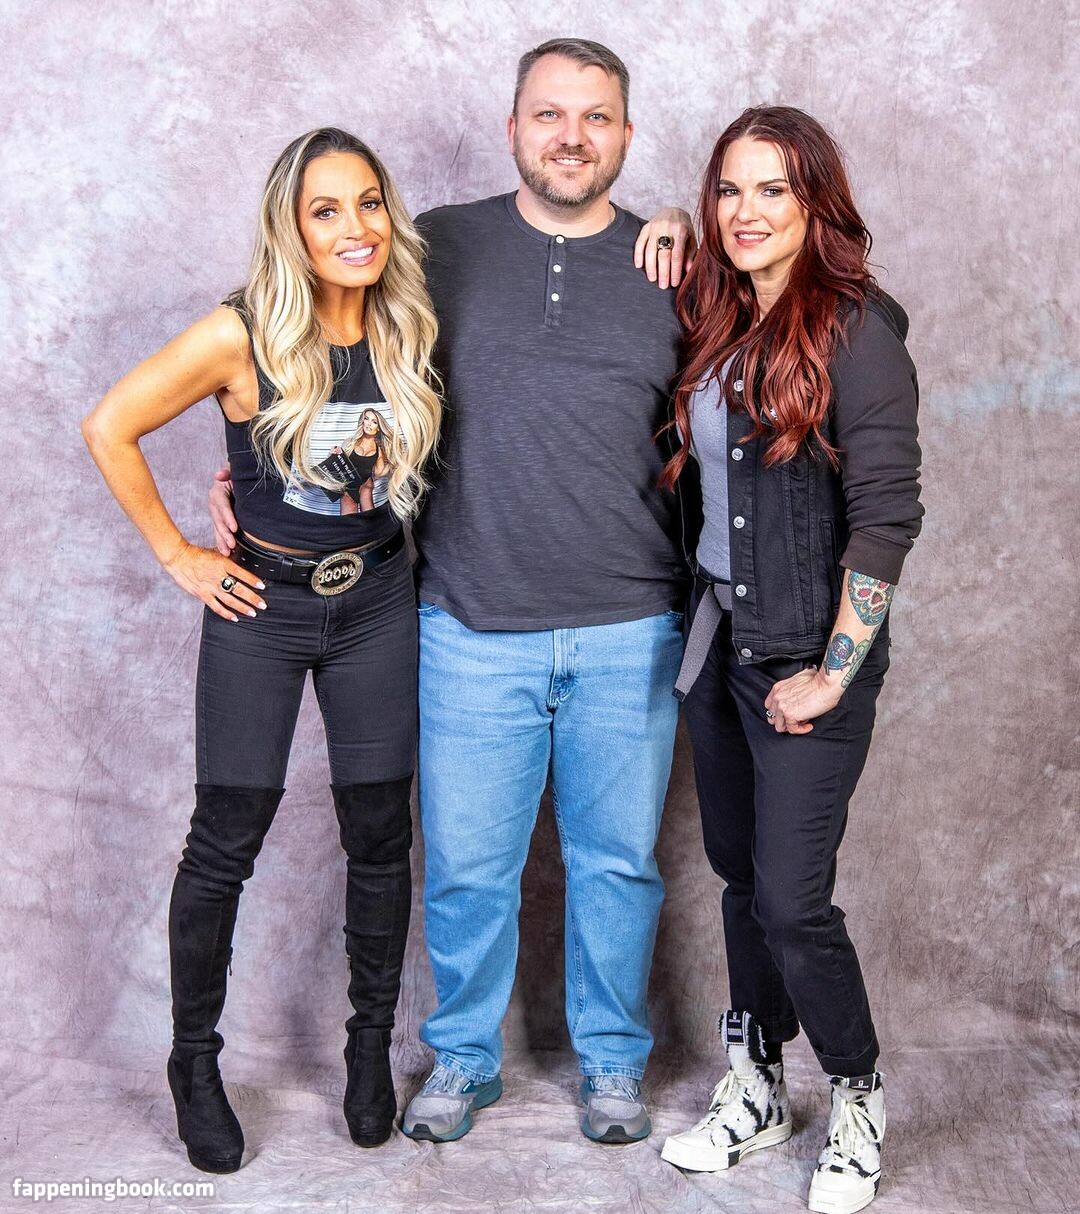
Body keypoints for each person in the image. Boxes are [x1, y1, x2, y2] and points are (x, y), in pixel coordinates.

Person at [209, 39, 696, 1145]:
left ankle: (614, 1063)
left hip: (632, 627)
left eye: (597, 117)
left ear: (626, 134)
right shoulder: (433, 248)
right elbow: (308, 339)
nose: (572, 136)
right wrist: (250, 468)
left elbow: (741, 402)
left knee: (619, 868)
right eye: (549, 114)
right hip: (469, 622)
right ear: (513, 127)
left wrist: (684, 223)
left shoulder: (676, 267)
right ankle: (465, 1058)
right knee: (470, 871)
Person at [82, 127, 441, 1172]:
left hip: (378, 601)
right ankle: (194, 1063)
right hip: (262, 611)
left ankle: (368, 1048)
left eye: (368, 202)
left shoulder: (410, 321)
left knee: (380, 833)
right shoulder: (239, 333)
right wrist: (180, 553)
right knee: (225, 838)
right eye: (326, 209)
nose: (355, 227)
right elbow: (110, 425)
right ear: (292, 226)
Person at [656, 107, 922, 1214]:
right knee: (738, 880)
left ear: (817, 204)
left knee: (792, 899)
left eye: (774, 189)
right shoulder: (718, 313)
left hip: (807, 659)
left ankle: (856, 1094)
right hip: (719, 646)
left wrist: (836, 671)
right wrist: (669, 221)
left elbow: (887, 520)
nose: (747, 211)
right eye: (729, 189)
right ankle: (757, 1084)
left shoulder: (857, 333)